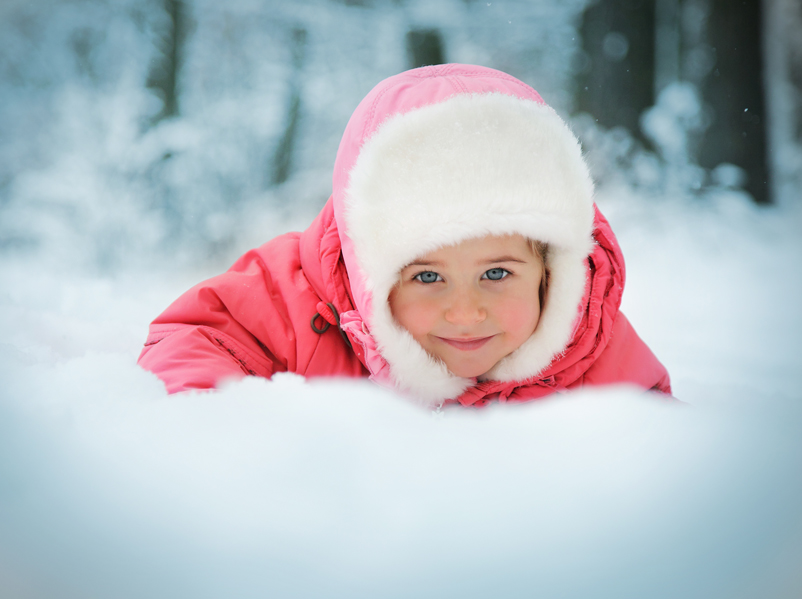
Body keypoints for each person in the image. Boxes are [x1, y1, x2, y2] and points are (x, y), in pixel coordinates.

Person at [138, 64, 671, 407]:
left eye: (496, 273)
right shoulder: (304, 298)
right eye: (427, 276)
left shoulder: (586, 344)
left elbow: (655, 449)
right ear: (371, 269)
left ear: (551, 273)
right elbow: (194, 342)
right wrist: (239, 440)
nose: (465, 313)